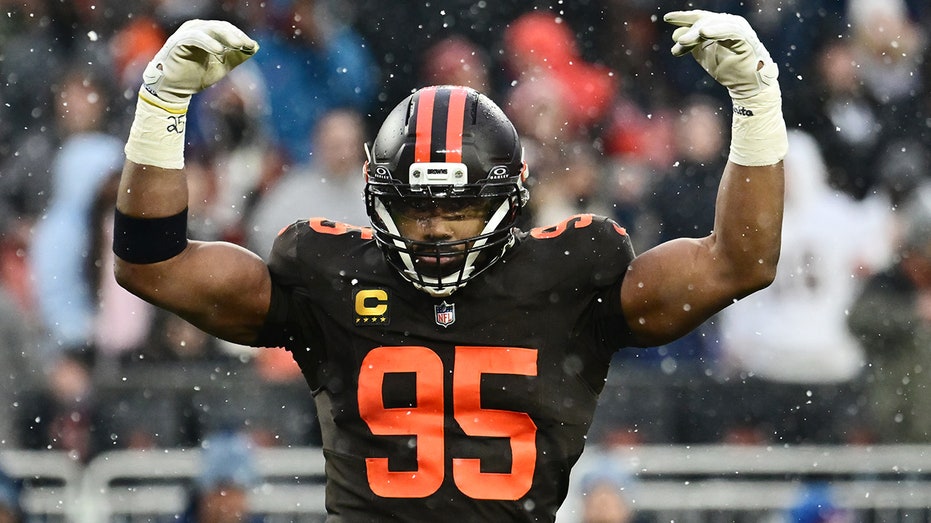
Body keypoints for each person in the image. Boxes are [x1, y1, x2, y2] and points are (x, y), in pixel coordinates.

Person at [113, 11, 786, 521]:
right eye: (415, 207)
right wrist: (163, 109)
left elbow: (741, 263)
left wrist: (756, 103)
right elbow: (153, 267)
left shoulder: (571, 275)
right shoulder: (331, 273)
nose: (435, 228)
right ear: (378, 199)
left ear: (508, 200)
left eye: (459, 208)